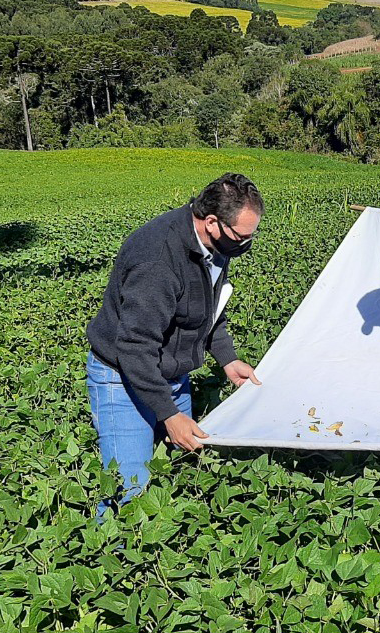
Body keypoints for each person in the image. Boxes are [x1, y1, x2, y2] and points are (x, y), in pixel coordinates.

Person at [86, 173, 263, 517]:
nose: (246, 244)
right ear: (212, 222)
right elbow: (135, 348)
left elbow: (209, 305)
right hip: (122, 377)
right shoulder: (157, 262)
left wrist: (226, 359)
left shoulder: (212, 244)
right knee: (128, 488)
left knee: (182, 465)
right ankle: (114, 559)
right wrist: (170, 414)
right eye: (242, 236)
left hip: (170, 369)